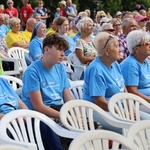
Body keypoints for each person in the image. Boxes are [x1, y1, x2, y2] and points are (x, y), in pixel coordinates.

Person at [0, 77, 64, 150]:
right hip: (4, 124)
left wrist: (25, 114)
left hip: (18, 120)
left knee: (41, 124)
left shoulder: (3, 81)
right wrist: (11, 119)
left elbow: (20, 103)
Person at [22, 33, 72, 119]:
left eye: (63, 51)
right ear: (47, 50)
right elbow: (38, 106)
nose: (63, 54)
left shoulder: (60, 67)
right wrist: (65, 117)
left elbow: (68, 98)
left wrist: (75, 114)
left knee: (91, 125)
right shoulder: (32, 72)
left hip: (58, 108)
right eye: (59, 50)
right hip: (39, 115)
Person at [83, 32, 123, 134]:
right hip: (99, 110)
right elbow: (100, 102)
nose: (120, 49)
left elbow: (123, 88)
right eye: (117, 46)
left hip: (117, 108)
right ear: (107, 51)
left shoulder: (115, 64)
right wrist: (123, 113)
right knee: (130, 128)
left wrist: (129, 107)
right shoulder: (96, 70)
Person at [120, 30, 150, 115]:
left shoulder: (147, 62)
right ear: (136, 49)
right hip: (137, 103)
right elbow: (132, 91)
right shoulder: (130, 65)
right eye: (146, 44)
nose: (149, 45)